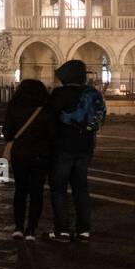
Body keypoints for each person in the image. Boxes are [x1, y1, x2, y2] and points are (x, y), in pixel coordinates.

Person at [47, 59, 102, 243]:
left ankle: (62, 230)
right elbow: (99, 119)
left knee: (59, 188)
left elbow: (50, 119)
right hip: (85, 146)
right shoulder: (93, 93)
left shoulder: (60, 94)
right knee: (81, 188)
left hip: (63, 147)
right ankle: (84, 230)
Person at [2, 78, 53, 241]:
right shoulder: (46, 108)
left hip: (20, 154)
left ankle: (18, 228)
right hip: (41, 154)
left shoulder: (14, 106)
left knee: (20, 190)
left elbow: (7, 132)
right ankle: (31, 230)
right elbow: (52, 133)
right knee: (37, 192)